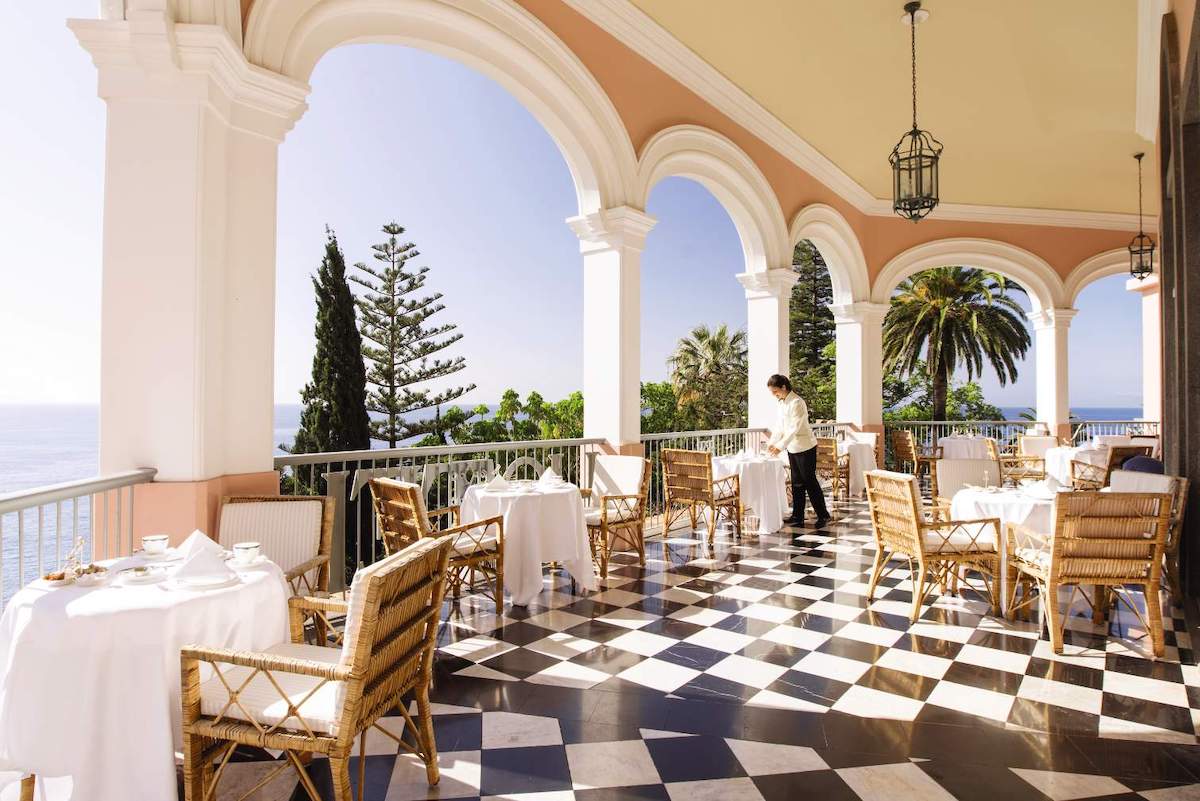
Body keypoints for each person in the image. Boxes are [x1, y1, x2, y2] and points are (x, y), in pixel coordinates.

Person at [764, 374, 830, 528]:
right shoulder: (782, 403)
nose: (774, 395)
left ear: (783, 387)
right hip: (792, 448)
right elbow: (780, 426)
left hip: (805, 446)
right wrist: (772, 442)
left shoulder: (797, 402)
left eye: (775, 392)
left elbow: (794, 427)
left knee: (810, 482)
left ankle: (823, 515)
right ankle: (797, 516)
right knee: (797, 483)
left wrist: (780, 446)